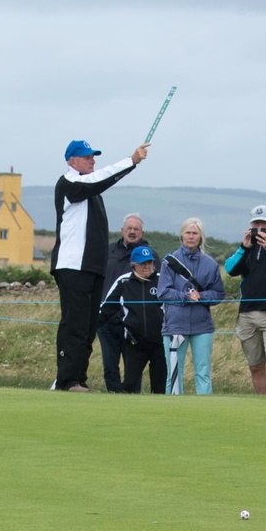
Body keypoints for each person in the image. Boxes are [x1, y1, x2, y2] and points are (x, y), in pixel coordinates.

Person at [50, 138, 149, 391]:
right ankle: (67, 379)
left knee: (87, 325)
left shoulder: (89, 189)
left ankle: (77, 379)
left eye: (93, 156)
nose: (92, 160)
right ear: (72, 161)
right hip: (73, 266)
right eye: (87, 157)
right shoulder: (70, 183)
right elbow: (100, 179)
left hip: (92, 268)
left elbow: (98, 182)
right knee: (74, 323)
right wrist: (131, 161)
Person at [223, 206, 266, 396]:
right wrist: (243, 248)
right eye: (256, 223)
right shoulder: (246, 248)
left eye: (264, 223)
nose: (260, 227)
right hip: (248, 312)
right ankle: (262, 404)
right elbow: (230, 269)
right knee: (255, 365)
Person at [159, 218, 225, 396]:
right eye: (188, 232)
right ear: (182, 235)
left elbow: (219, 294)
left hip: (202, 325)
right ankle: (173, 412)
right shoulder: (168, 262)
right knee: (173, 374)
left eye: (195, 233)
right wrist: (186, 297)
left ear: (201, 237)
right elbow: (163, 292)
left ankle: (205, 411)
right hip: (175, 325)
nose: (191, 236)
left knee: (203, 372)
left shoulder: (210, 264)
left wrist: (201, 296)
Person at [99, 243, 167, 394]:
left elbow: (175, 305)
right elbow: (107, 308)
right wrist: (90, 327)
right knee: (129, 385)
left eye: (149, 262)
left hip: (160, 343)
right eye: (142, 263)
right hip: (135, 344)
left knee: (160, 388)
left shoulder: (163, 280)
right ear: (133, 265)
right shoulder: (124, 282)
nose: (147, 267)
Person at [98, 213, 150, 392]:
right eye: (129, 228)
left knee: (133, 367)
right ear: (122, 230)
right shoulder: (108, 251)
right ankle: (113, 395)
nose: (132, 232)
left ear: (142, 233)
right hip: (107, 319)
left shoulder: (148, 256)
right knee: (110, 364)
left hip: (133, 321)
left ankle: (132, 398)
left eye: (136, 229)